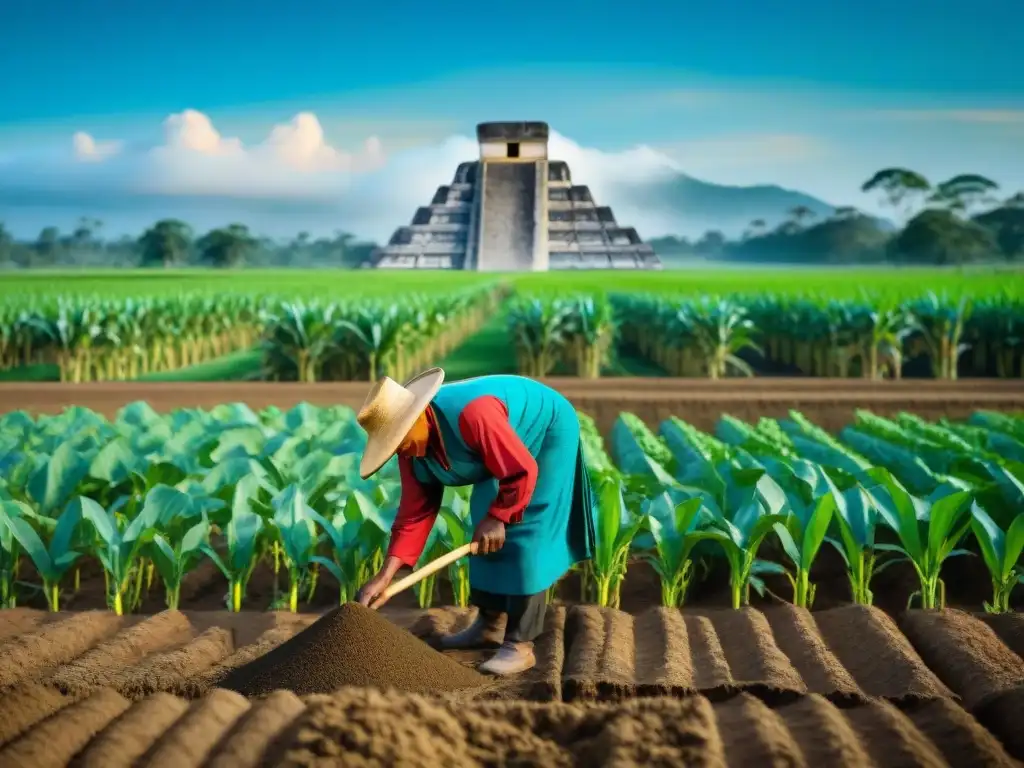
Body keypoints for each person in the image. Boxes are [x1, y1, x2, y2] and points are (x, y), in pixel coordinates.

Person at [355, 367, 597, 676]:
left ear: (419, 416)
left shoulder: (473, 415)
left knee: (526, 531)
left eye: (398, 440)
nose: (398, 450)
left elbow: (522, 472)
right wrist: (385, 575)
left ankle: (520, 645)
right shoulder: (411, 450)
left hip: (546, 429)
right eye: (391, 445)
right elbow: (415, 511)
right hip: (502, 443)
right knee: (482, 529)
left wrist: (500, 517)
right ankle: (489, 624)